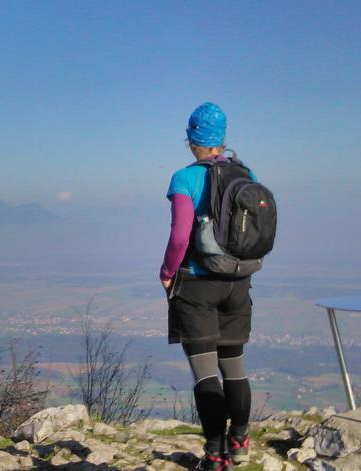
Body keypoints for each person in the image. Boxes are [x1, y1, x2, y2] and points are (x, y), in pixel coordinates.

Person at [161, 103, 253, 471]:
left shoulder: (184, 178)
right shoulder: (245, 173)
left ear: (191, 139)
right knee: (235, 367)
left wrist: (168, 271)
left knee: (205, 372)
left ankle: (216, 455)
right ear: (221, 138)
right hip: (238, 282)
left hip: (198, 285)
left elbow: (181, 235)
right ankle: (241, 442)